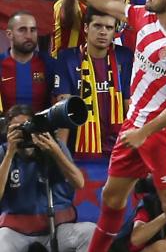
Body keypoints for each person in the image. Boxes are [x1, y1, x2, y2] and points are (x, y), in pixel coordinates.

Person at [51, 0, 166, 251]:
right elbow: (104, 2)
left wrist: (145, 132)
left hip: (161, 133)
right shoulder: (142, 18)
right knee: (111, 196)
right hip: (132, 127)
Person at [0, 105, 95, 251]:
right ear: (8, 132)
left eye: (27, 128)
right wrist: (10, 154)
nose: (24, 134)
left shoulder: (51, 146)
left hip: (56, 230)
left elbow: (79, 183)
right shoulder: (4, 151)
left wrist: (55, 151)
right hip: (15, 233)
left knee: (90, 232)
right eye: (17, 130)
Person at [53, 8, 133, 160]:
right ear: (86, 28)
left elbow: (129, 105)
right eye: (97, 26)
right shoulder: (68, 58)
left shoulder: (124, 57)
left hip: (119, 149)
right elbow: (64, 110)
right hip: (80, 151)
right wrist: (62, 158)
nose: (103, 32)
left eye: (109, 27)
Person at [0, 11, 54, 113]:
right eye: (22, 30)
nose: (29, 36)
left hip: (41, 127)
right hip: (5, 127)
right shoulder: (1, 63)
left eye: (32, 30)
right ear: (9, 34)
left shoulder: (49, 64)